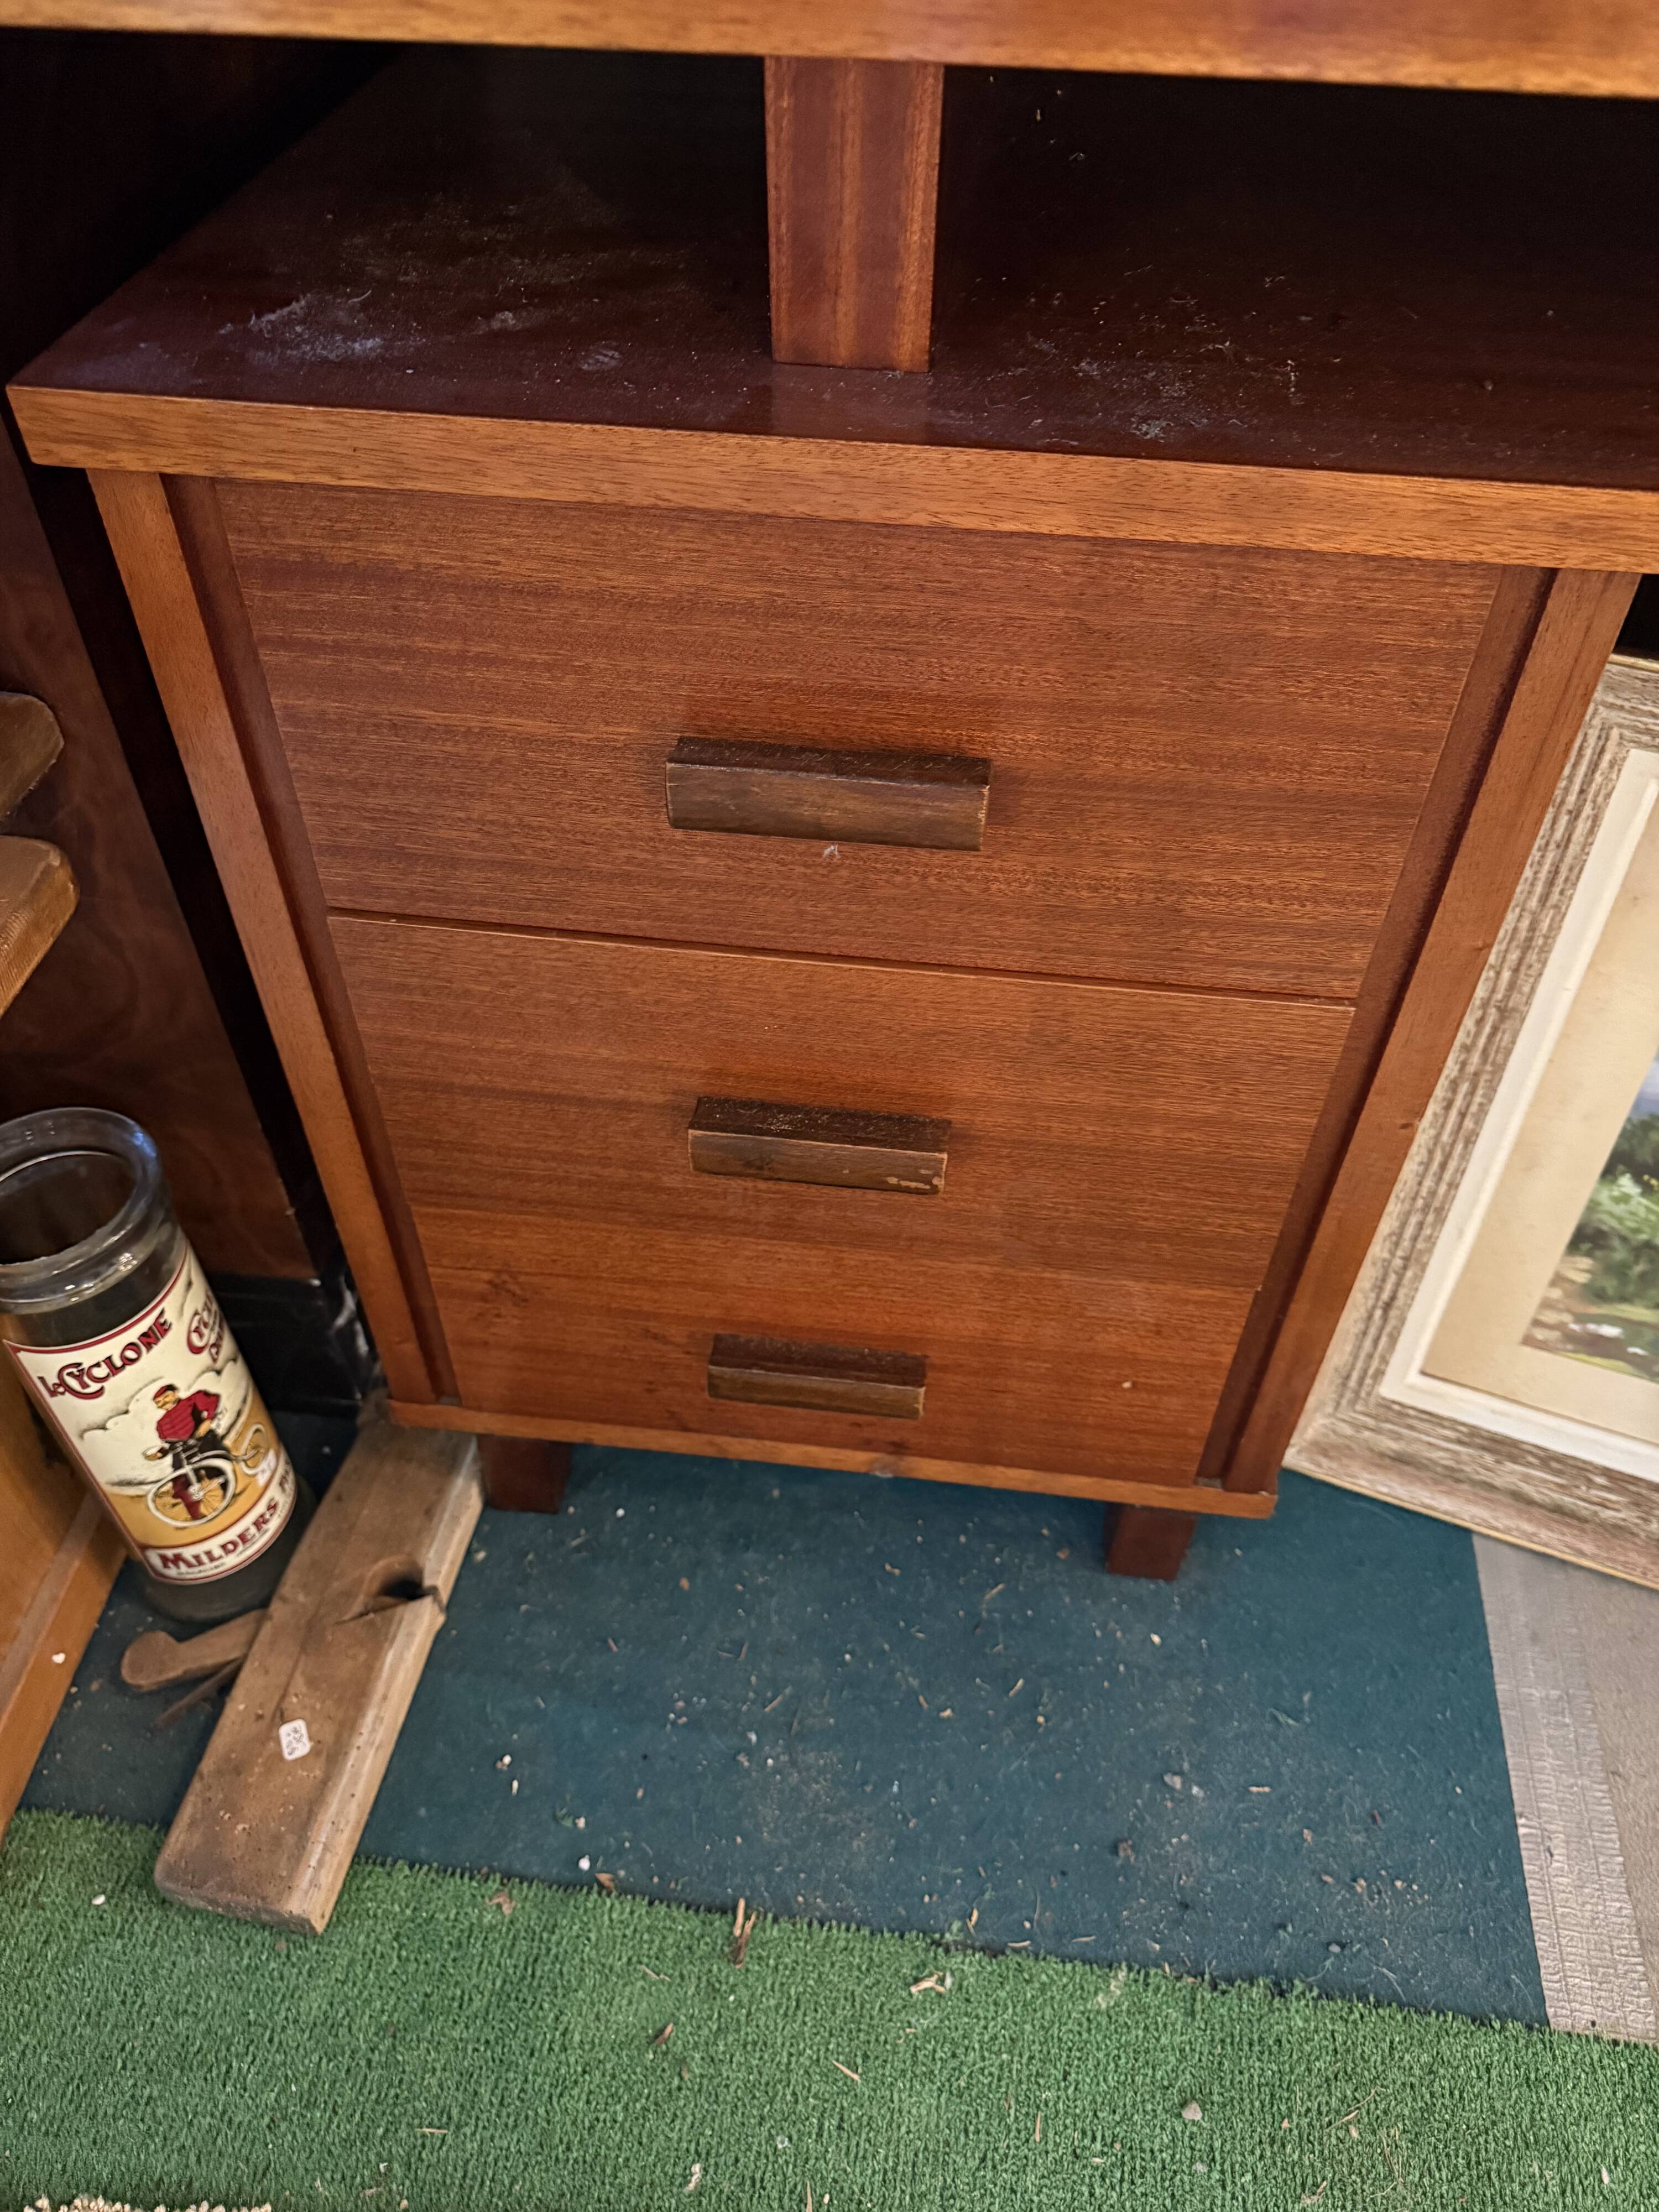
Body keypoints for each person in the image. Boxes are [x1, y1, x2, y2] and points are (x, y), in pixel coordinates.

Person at [143, 1382, 234, 1522]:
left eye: (166, 1397)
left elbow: (213, 1400)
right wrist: (159, 1454)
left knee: (216, 1468)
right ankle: (196, 1516)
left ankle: (230, 1496)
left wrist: (208, 1420)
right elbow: (167, 1445)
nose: (163, 1403)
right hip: (181, 1451)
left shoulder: (192, 1401)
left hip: (202, 1440)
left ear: (175, 1393)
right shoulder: (161, 1424)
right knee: (180, 1484)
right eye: (159, 1402)